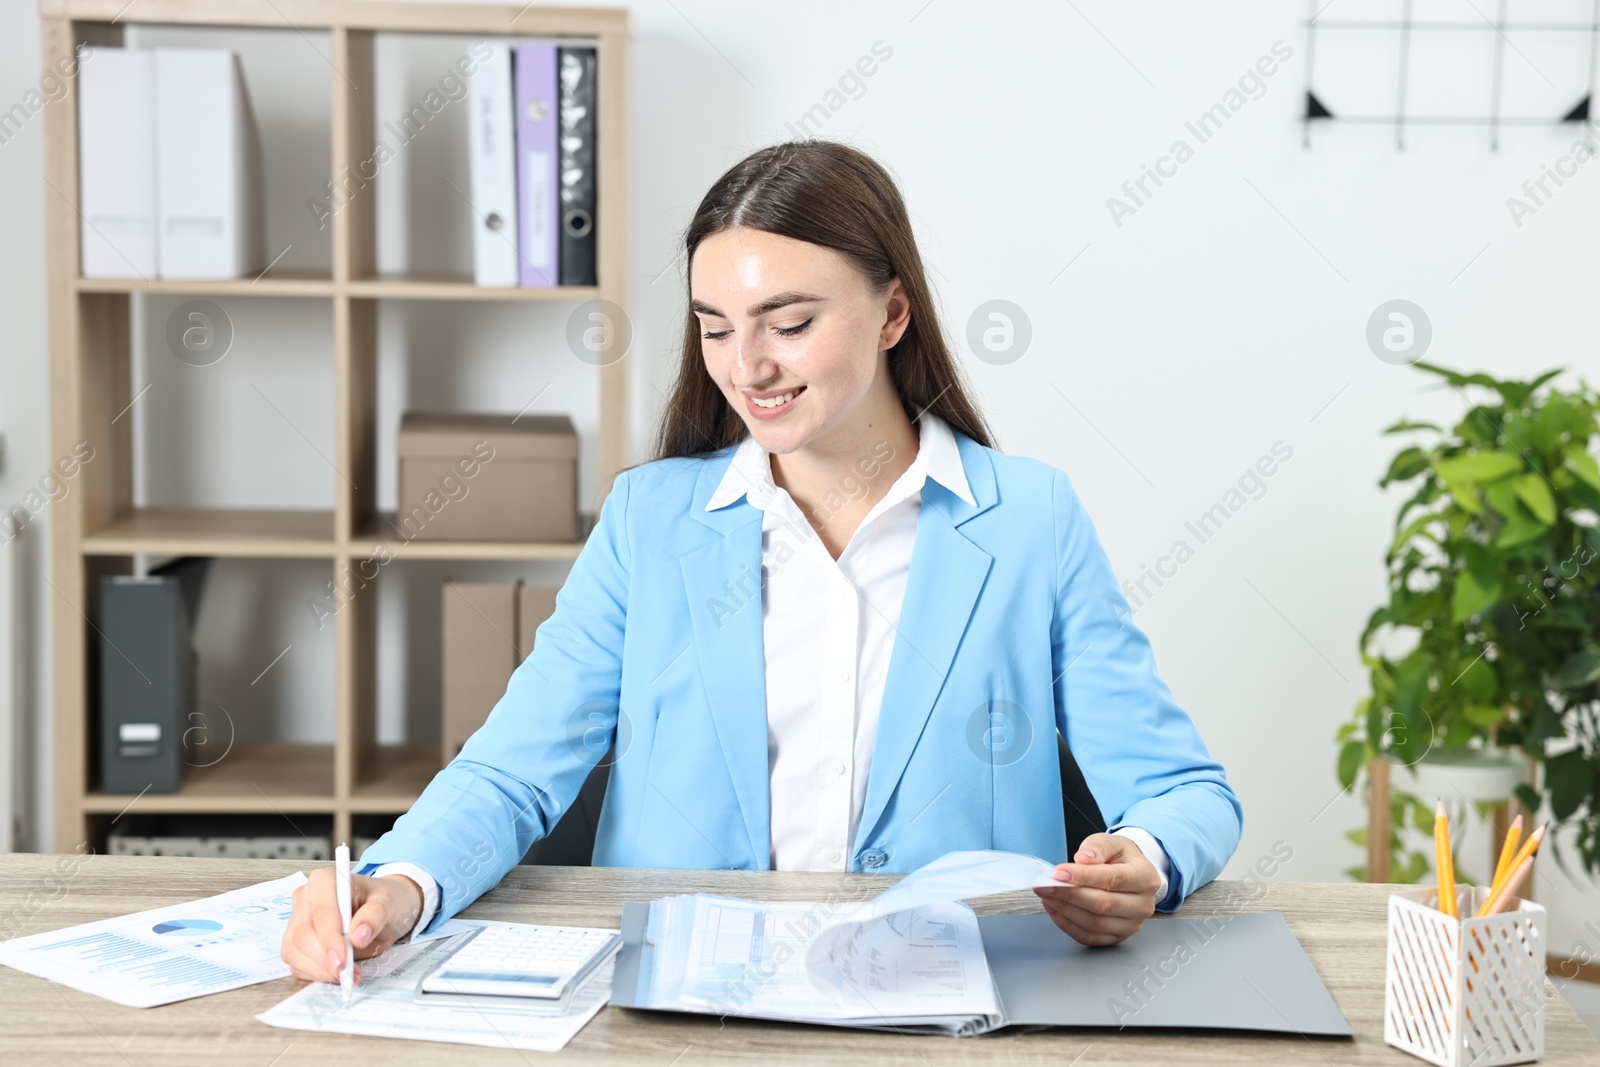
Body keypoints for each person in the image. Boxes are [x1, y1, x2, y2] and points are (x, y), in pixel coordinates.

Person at [280, 140, 1242, 986]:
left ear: (893, 312)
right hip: (685, 1001)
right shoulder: (648, 522)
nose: (746, 367)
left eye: (787, 324)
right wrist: (398, 884)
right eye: (714, 326)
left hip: (954, 998)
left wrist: (1146, 861)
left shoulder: (1030, 519)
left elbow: (1187, 790)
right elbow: (513, 771)